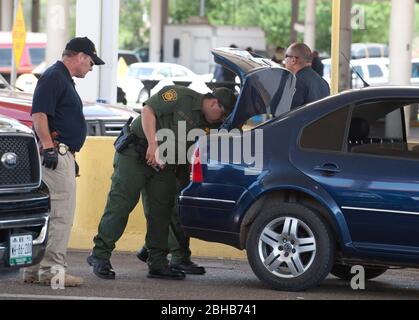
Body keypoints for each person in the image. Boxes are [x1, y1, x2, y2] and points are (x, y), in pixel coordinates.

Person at [87, 85, 237, 280]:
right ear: (214, 103)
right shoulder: (180, 95)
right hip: (137, 153)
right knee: (121, 204)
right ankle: (100, 255)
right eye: (222, 114)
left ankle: (157, 263)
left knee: (161, 212)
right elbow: (148, 110)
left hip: (164, 165)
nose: (221, 120)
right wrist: (153, 144)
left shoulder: (211, 122)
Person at [23, 37, 105, 287]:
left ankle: (35, 270)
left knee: (48, 214)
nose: (91, 68)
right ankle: (52, 272)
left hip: (60, 152)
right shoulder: (55, 76)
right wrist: (50, 147)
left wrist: (66, 152)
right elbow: (38, 115)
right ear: (80, 56)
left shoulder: (60, 78)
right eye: (91, 62)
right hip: (55, 153)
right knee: (61, 215)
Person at [284, 43, 330, 109]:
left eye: (286, 56)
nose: (284, 61)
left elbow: (287, 113)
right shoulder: (323, 82)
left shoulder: (296, 81)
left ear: (293, 60)